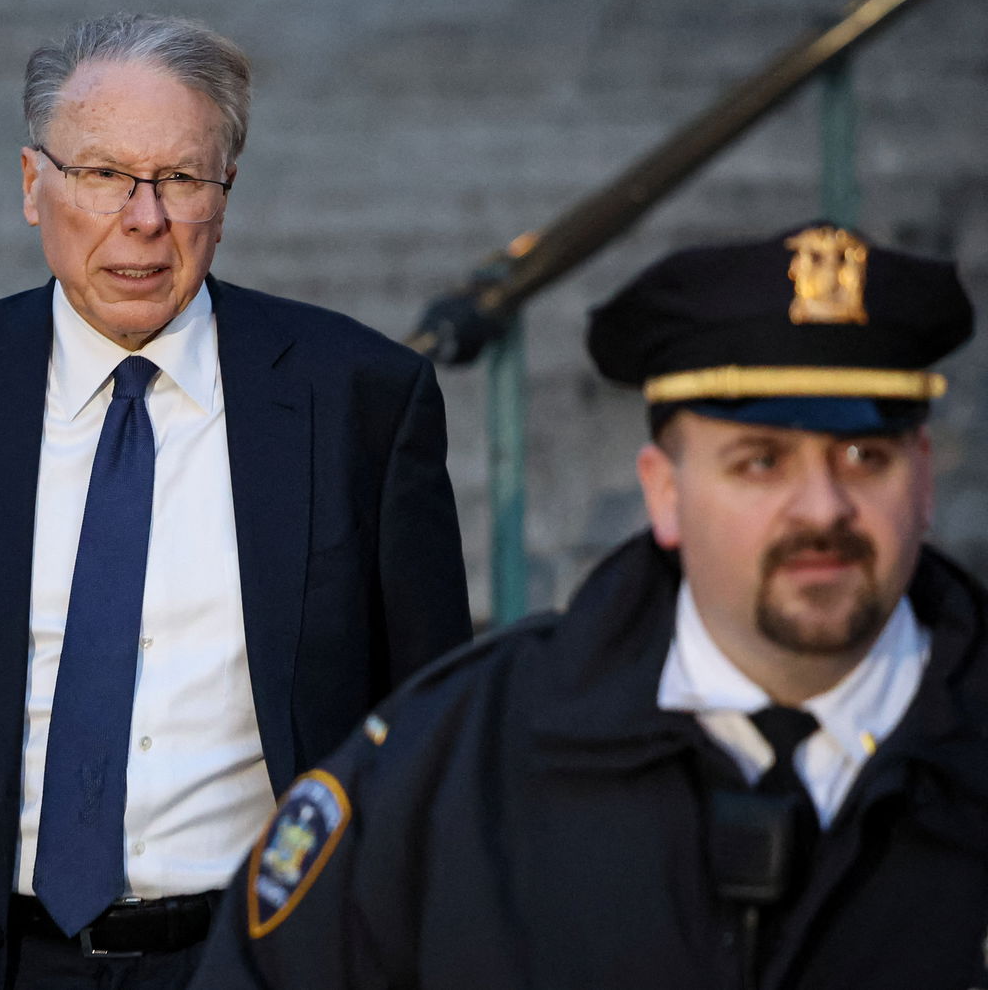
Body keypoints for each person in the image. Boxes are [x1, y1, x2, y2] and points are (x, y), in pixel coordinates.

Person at [0, 12, 472, 990]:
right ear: (33, 185)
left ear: (224, 198)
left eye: (180, 178)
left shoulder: (359, 399)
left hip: (259, 961)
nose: (141, 218)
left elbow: (439, 737)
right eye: (101, 174)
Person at [188, 223, 988, 990]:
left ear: (922, 478)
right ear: (664, 492)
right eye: (760, 462)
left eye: (863, 457)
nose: (821, 509)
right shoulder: (458, 762)